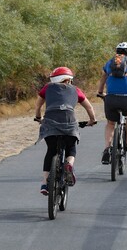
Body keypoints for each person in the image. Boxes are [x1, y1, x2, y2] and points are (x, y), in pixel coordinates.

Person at [34, 66, 96, 195]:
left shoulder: (47, 88)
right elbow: (89, 107)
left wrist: (38, 117)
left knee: (50, 151)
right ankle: (69, 165)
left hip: (50, 121)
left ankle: (45, 184)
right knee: (71, 148)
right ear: (68, 80)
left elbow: (38, 104)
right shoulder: (76, 90)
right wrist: (92, 120)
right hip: (69, 122)